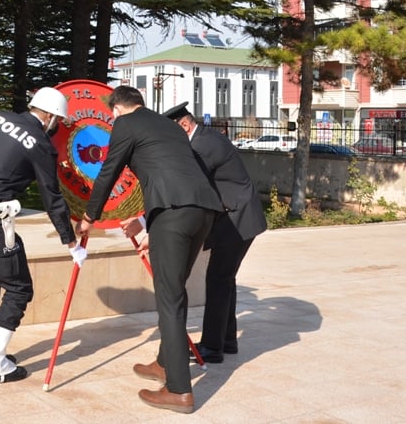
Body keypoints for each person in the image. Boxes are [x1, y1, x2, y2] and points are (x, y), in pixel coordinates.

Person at [76, 86, 222, 414]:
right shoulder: (170, 126)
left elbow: (109, 171)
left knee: (169, 298)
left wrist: (88, 217)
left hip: (173, 212)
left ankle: (179, 391)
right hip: (203, 211)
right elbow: (171, 168)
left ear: (116, 110)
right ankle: (164, 363)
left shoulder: (125, 124)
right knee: (174, 291)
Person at [0, 87, 85, 386]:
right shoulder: (39, 143)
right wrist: (70, 240)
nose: (57, 127)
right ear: (49, 117)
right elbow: (51, 196)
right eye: (58, 121)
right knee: (19, 288)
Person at [130, 102, 267, 364]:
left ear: (184, 125)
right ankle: (226, 341)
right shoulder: (201, 140)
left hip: (237, 219)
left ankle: (213, 348)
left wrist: (147, 223)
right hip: (233, 217)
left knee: (218, 279)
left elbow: (183, 188)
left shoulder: (202, 146)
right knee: (224, 279)